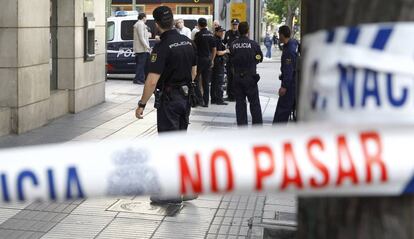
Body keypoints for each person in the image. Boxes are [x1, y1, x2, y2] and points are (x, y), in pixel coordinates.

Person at [135, 6, 198, 204]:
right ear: (172, 21)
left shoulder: (162, 47)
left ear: (157, 24)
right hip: (185, 98)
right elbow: (194, 71)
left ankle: (170, 194)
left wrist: (142, 104)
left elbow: (152, 80)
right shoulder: (188, 42)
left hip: (170, 101)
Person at [229, 22, 263, 126]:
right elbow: (259, 58)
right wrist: (254, 60)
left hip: (237, 77)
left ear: (238, 31)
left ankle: (242, 126)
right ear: (248, 31)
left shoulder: (233, 44)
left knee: (240, 103)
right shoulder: (254, 44)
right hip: (250, 77)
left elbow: (230, 59)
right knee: (254, 103)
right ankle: (257, 126)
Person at [273, 25, 299, 124]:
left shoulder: (289, 51)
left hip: (290, 85)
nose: (279, 37)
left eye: (279, 34)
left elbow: (289, 70)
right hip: (294, 82)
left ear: (283, 35)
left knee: (282, 111)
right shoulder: (293, 43)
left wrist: (284, 86)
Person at [194, 18, 217, 107]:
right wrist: (212, 60)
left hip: (200, 60)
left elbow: (194, 48)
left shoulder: (198, 35)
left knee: (195, 80)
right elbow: (214, 49)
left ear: (198, 25)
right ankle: (206, 102)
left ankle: (199, 99)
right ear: (206, 24)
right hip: (208, 60)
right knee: (206, 82)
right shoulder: (211, 35)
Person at [223, 19, 240, 102]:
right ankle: (229, 95)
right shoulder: (228, 33)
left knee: (236, 77)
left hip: (237, 58)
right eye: (233, 24)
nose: (234, 26)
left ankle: (236, 95)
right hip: (229, 58)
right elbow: (224, 43)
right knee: (229, 77)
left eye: (236, 24)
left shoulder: (240, 33)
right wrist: (225, 49)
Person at [211, 26, 228, 105]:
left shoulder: (217, 39)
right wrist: (226, 51)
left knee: (215, 81)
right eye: (221, 32)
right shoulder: (217, 40)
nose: (222, 33)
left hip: (216, 63)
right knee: (219, 81)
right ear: (216, 32)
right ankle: (219, 99)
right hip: (218, 63)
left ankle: (214, 98)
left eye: (223, 32)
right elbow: (218, 52)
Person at [133, 13, 151, 84]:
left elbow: (144, 36)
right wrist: (147, 47)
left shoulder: (142, 24)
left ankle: (142, 79)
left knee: (144, 65)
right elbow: (141, 37)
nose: (146, 19)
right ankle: (138, 79)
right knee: (141, 65)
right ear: (143, 17)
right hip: (141, 49)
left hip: (143, 49)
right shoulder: (140, 24)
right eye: (146, 18)